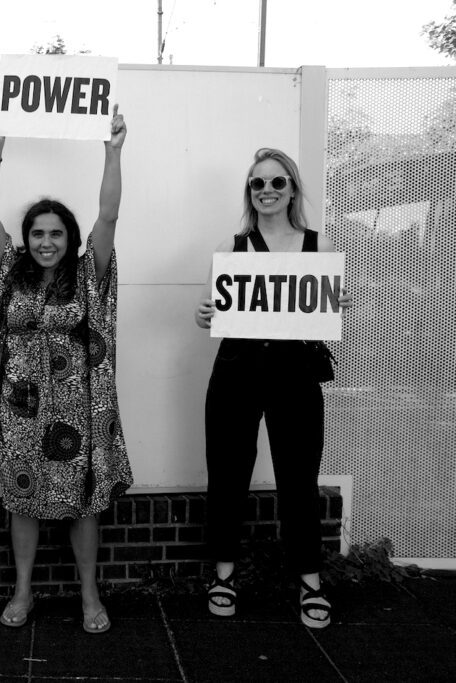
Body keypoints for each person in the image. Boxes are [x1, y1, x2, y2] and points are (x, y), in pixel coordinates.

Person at [0, 108, 133, 634]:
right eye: (38, 233)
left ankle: (90, 595)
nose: (47, 241)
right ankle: (22, 591)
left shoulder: (90, 273)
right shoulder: (9, 272)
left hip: (77, 407)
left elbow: (108, 217)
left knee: (82, 501)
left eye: (57, 233)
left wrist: (112, 153)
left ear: (69, 239)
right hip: (21, 404)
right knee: (23, 498)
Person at [194, 148, 353, 629]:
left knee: (299, 480)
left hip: (295, 374)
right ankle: (223, 575)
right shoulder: (234, 246)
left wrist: (343, 301)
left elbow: (329, 312)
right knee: (227, 474)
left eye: (276, 183)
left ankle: (309, 581)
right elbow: (211, 310)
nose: (266, 191)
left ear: (293, 189)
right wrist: (203, 314)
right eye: (257, 183)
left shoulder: (319, 249)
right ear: (250, 192)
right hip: (238, 368)